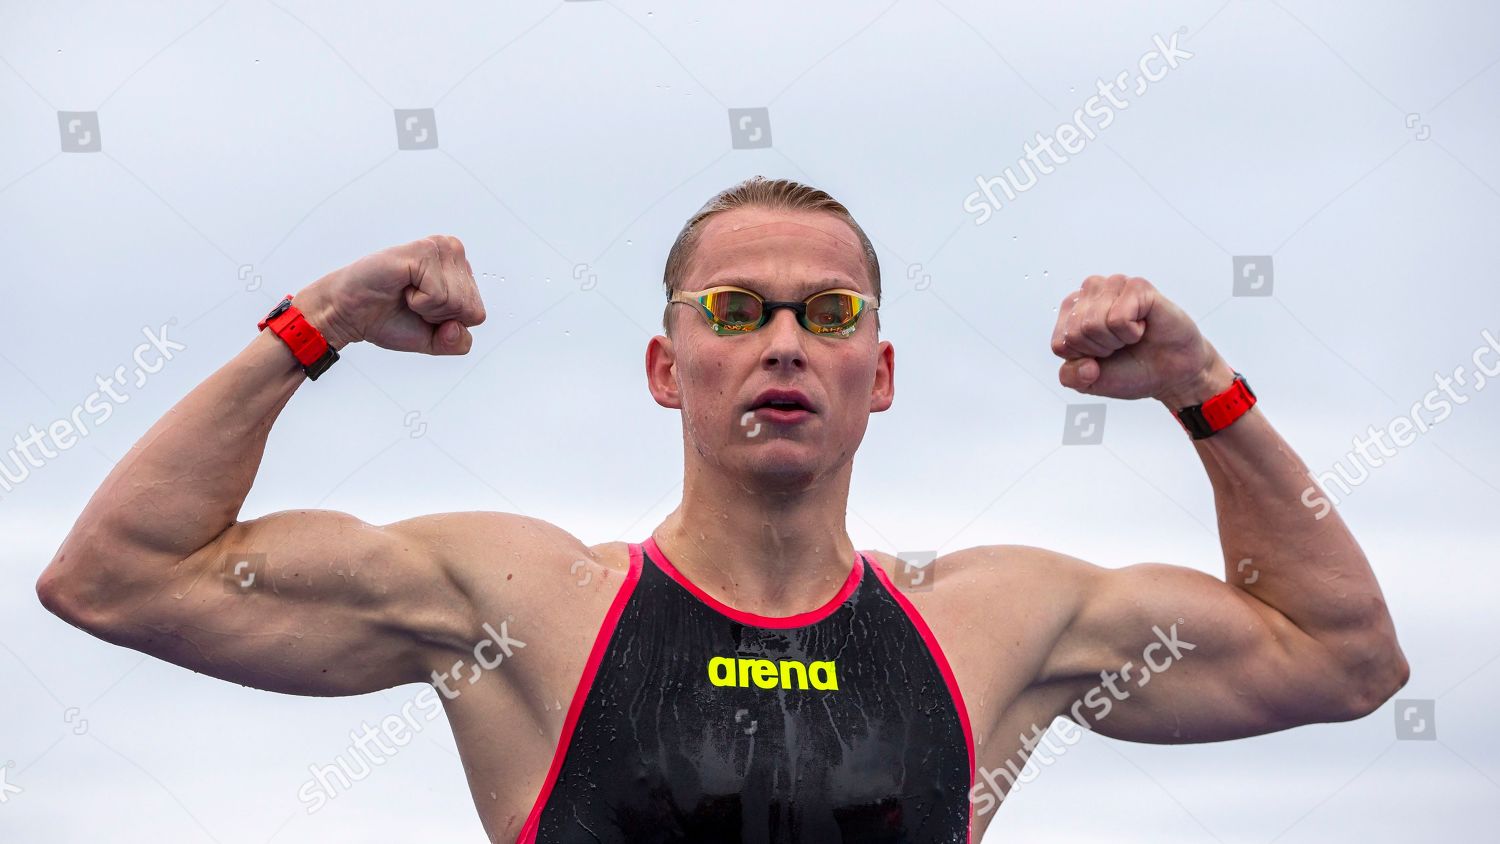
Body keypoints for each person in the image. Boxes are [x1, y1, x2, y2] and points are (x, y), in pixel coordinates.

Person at [36, 176, 1408, 843]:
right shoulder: (524, 608)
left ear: (881, 375)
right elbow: (118, 577)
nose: (785, 342)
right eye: (736, 311)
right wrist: (316, 321)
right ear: (665, 366)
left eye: (831, 314)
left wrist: (1205, 390)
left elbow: (1347, 658)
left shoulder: (993, 625)